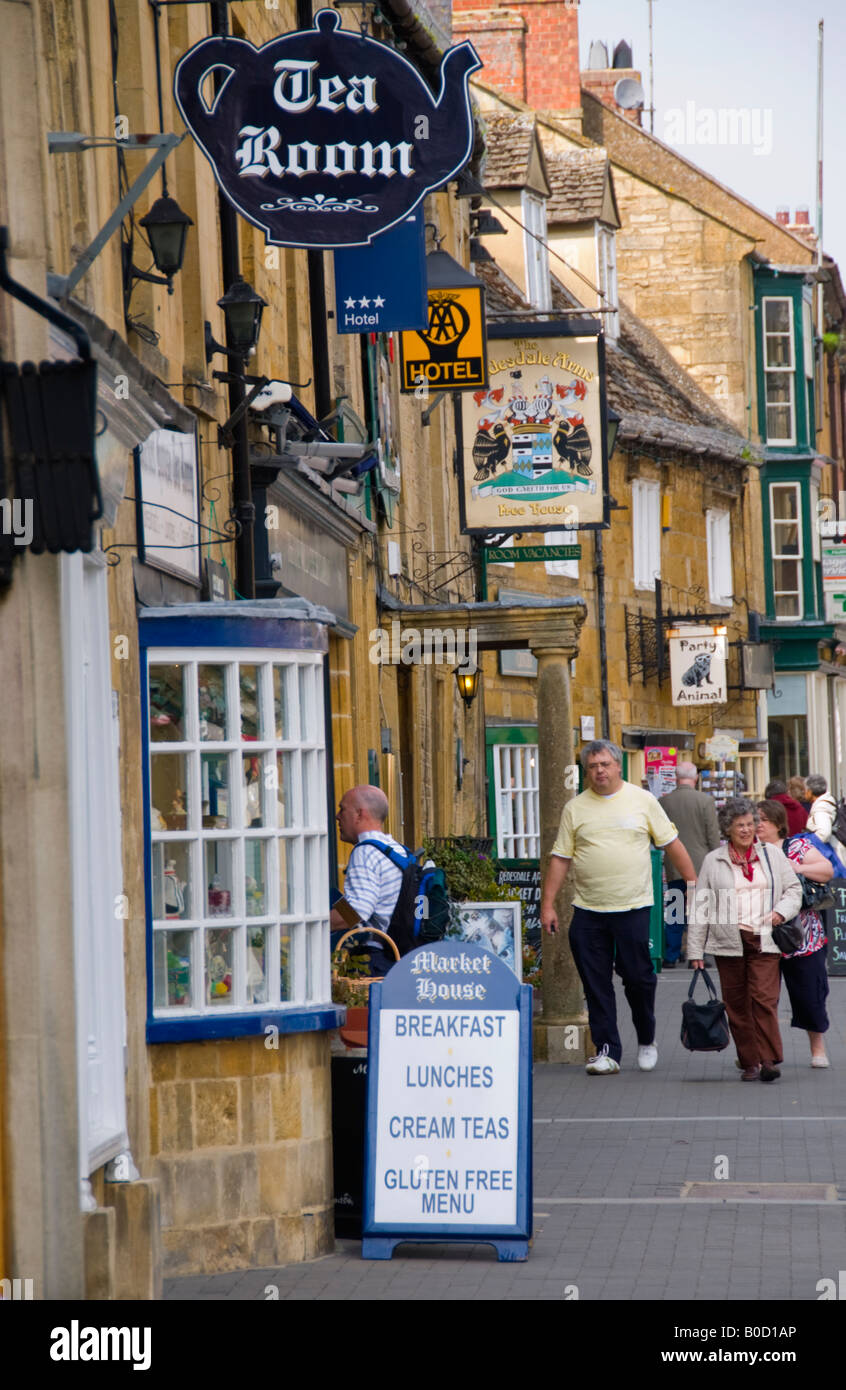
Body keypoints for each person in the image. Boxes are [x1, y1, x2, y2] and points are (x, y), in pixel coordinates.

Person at [540, 739, 696, 1076]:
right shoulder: (575, 808)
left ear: (617, 766)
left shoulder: (643, 801)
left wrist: (693, 884)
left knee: (639, 980)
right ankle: (607, 1050)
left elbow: (671, 844)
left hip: (633, 906)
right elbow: (560, 858)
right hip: (588, 909)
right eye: (593, 766)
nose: (599, 771)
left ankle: (646, 1038)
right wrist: (548, 904)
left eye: (604, 764)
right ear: (586, 771)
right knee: (596, 983)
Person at [688, 798, 802, 1082]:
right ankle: (750, 1062)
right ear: (728, 828)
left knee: (764, 999)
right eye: (740, 825)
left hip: (764, 938)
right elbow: (701, 907)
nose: (746, 830)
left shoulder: (772, 855)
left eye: (751, 824)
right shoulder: (713, 861)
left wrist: (780, 912)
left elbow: (793, 889)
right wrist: (695, 950)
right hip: (728, 940)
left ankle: (768, 1060)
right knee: (737, 1004)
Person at [756, 799, 833, 1068]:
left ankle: (818, 1048)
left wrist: (797, 868)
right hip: (762, 935)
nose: (758, 825)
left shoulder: (796, 847)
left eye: (763, 819)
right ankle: (764, 1053)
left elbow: (827, 870)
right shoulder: (751, 850)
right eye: (755, 820)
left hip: (803, 937)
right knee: (763, 998)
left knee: (810, 995)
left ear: (778, 824)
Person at [330, 785, 406, 973]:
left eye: (342, 809)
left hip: (377, 960)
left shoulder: (366, 852)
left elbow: (358, 910)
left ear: (359, 814)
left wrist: (313, 923)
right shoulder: (396, 849)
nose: (337, 816)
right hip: (400, 954)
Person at [659, 762, 721, 967]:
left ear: (676, 778)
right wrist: (716, 859)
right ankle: (698, 954)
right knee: (700, 910)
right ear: (695, 778)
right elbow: (712, 835)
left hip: (674, 864)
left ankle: (671, 955)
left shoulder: (664, 802)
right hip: (700, 864)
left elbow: (657, 837)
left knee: (675, 909)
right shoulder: (705, 801)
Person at [804, 774, 838, 843]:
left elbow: (824, 833)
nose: (804, 793)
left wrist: (808, 846)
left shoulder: (821, 808)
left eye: (805, 790)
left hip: (827, 850)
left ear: (810, 792)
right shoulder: (827, 802)